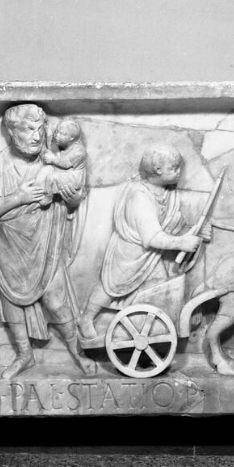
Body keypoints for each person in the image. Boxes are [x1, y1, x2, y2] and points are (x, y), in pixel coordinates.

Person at [0, 104, 96, 380]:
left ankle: (77, 350)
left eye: (40, 129)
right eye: (28, 129)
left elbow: (75, 198)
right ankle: (24, 354)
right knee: (12, 302)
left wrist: (72, 198)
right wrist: (18, 197)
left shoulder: (53, 159)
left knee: (55, 301)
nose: (36, 136)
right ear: (11, 133)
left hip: (46, 241)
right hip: (7, 244)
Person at [76, 146, 204, 343]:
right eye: (174, 168)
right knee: (112, 287)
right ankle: (86, 318)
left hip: (152, 256)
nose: (179, 171)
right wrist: (182, 243)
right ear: (158, 170)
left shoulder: (165, 192)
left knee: (162, 287)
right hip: (131, 254)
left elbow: (172, 224)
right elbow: (152, 238)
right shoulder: (140, 197)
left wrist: (196, 230)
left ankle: (152, 325)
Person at [36, 119, 87, 207]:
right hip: (65, 173)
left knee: (52, 178)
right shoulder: (65, 145)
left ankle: (48, 196)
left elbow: (66, 164)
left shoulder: (79, 151)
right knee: (46, 170)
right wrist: (48, 134)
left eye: (63, 134)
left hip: (74, 178)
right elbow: (53, 149)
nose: (57, 136)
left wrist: (52, 159)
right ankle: (38, 191)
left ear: (71, 138)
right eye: (57, 132)